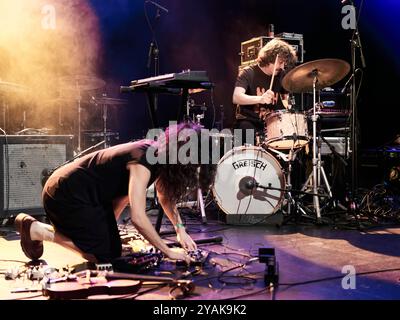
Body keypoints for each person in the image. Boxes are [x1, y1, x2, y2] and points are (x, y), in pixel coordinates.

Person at [15, 122, 216, 264]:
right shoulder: (144, 159)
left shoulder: (158, 158)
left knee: (114, 248)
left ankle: (83, 236)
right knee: (102, 256)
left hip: (84, 195)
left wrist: (180, 229)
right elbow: (137, 217)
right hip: (64, 193)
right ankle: (37, 230)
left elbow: (160, 195)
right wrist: (168, 251)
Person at [233, 38, 298, 145]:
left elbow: (287, 102)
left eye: (284, 63)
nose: (282, 67)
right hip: (250, 122)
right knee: (246, 129)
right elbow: (236, 97)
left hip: (273, 124)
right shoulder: (248, 73)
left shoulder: (282, 76)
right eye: (280, 62)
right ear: (269, 58)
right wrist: (261, 99)